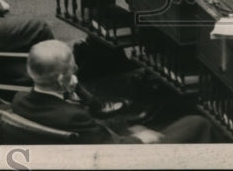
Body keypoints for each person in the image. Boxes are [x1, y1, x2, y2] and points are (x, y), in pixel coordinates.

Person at [12, 40, 214, 144]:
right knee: (197, 123)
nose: (76, 72)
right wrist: (140, 138)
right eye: (74, 68)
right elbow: (112, 152)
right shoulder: (74, 118)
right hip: (125, 154)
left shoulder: (18, 100)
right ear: (61, 79)